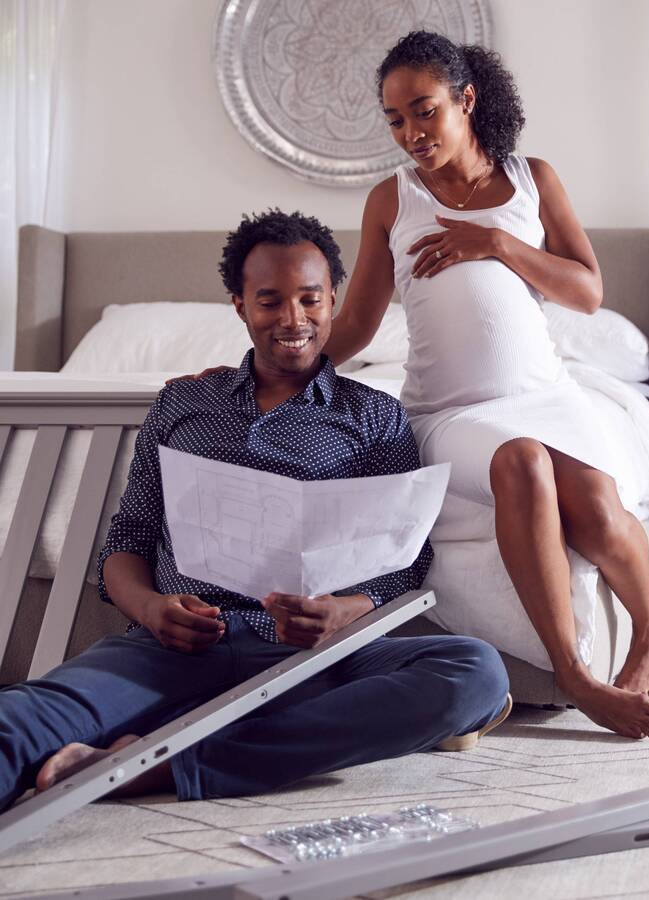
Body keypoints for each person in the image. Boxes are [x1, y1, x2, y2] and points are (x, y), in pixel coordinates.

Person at [0, 210, 511, 812]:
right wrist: (152, 609)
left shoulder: (375, 417)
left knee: (473, 673)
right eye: (269, 301)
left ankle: (161, 765)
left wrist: (342, 612)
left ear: (332, 302)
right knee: (17, 721)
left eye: (310, 300)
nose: (293, 320)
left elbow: (403, 561)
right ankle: (189, 737)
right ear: (239, 305)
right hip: (174, 651)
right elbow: (129, 538)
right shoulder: (184, 402)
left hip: (314, 658)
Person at [328, 32, 649, 739]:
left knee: (601, 512)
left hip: (546, 394)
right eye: (394, 120)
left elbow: (588, 293)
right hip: (449, 411)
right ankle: (573, 673)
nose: (411, 133)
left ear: (466, 100)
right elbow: (357, 324)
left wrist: (499, 243)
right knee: (521, 460)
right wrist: (272, 366)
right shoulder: (392, 200)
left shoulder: (533, 178)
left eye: (424, 112)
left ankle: (647, 637)